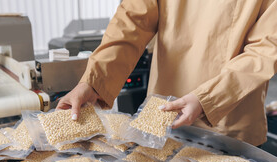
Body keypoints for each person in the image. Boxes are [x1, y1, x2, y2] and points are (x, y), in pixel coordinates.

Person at [57, 0, 277, 146]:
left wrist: (208, 99)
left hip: (230, 125)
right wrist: (93, 82)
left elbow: (266, 48)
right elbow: (132, 20)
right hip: (163, 121)